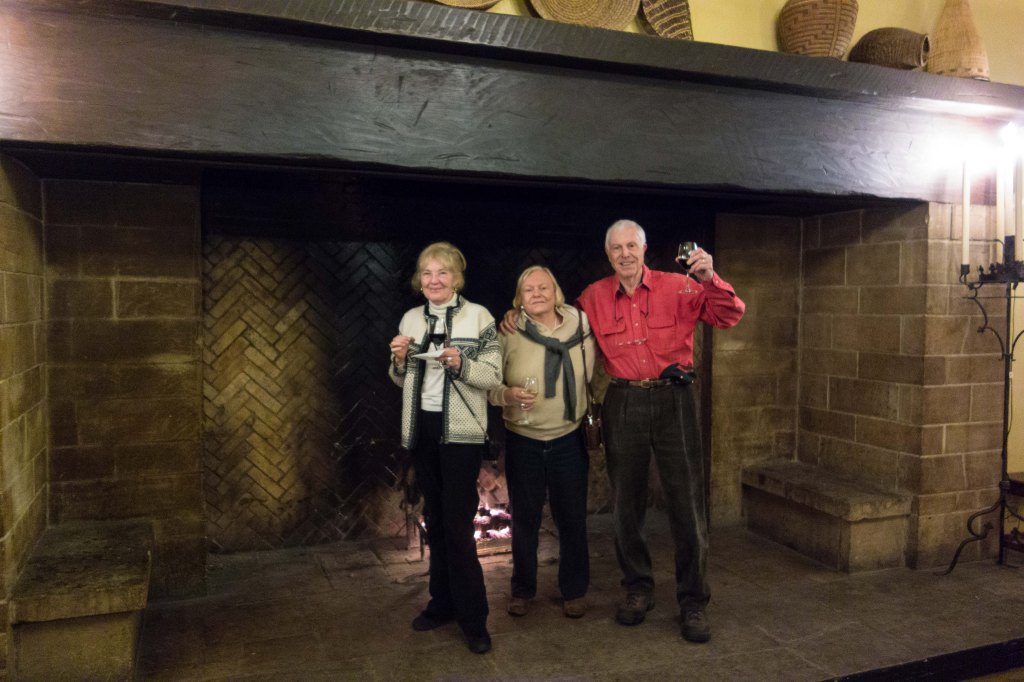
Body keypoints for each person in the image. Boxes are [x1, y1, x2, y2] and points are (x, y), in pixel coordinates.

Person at [501, 219, 744, 644]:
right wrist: (514, 315)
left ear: (644, 249)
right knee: (626, 505)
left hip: (674, 399)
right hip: (624, 400)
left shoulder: (680, 286)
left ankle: (693, 599)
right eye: (617, 248)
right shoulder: (592, 297)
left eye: (632, 246)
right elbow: (554, 316)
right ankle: (638, 588)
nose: (625, 254)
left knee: (687, 502)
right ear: (608, 254)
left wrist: (710, 278)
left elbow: (728, 315)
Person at [388, 241, 502, 655]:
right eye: (427, 273)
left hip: (462, 432)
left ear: (457, 279)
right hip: (423, 428)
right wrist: (399, 360)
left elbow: (493, 375)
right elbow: (401, 379)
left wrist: (461, 364)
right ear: (419, 280)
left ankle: (474, 620)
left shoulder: (479, 316)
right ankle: (442, 604)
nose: (434, 280)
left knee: (457, 526)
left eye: (443, 272)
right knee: (435, 521)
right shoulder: (410, 318)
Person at [487, 266, 596, 620]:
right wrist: (507, 395)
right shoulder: (508, 332)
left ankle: (574, 591)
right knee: (525, 521)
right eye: (528, 289)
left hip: (569, 437)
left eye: (543, 287)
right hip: (525, 440)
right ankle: (522, 590)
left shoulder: (580, 323)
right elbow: (488, 384)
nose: (537, 294)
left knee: (572, 519)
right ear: (518, 299)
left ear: (556, 292)